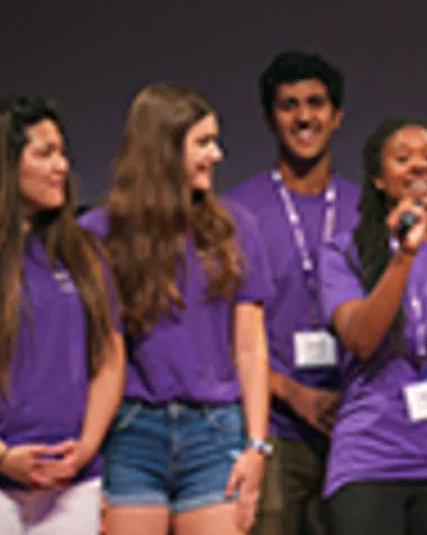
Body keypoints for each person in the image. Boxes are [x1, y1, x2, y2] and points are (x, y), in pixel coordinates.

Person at [79, 83, 274, 535]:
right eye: (203, 143)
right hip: (131, 430)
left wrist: (257, 445)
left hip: (214, 431)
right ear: (163, 150)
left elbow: (250, 347)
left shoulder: (234, 228)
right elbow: (94, 353)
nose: (218, 154)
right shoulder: (99, 233)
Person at [319, 118, 427, 535]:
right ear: (378, 179)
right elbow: (360, 340)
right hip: (370, 457)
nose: (419, 166)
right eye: (403, 158)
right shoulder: (344, 252)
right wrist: (403, 256)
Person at [225, 51, 360, 535]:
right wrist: (290, 392)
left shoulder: (364, 210)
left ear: (337, 114)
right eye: (289, 106)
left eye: (316, 103)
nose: (304, 117)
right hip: (270, 431)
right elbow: (224, 333)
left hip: (350, 430)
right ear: (269, 119)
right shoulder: (236, 211)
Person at [0, 95, 125, 533]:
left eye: (62, 153)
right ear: (5, 166)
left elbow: (109, 357)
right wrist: (2, 458)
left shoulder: (83, 254)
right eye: (45, 154)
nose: (62, 167)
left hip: (72, 484)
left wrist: (84, 449)